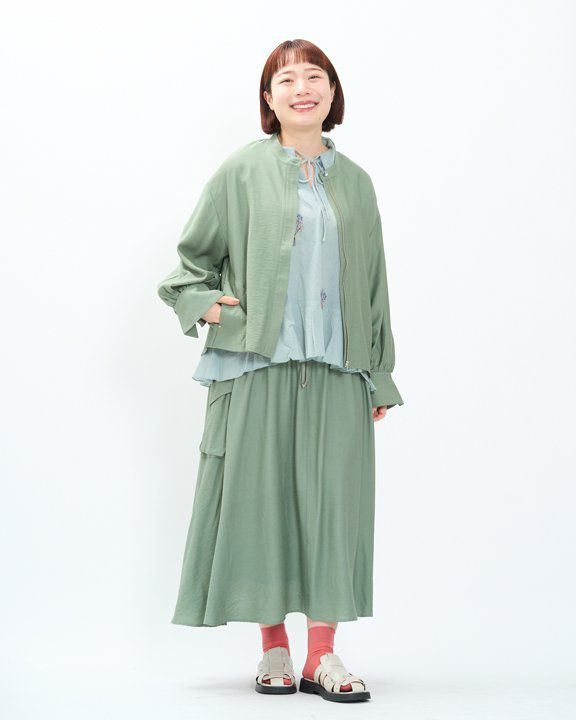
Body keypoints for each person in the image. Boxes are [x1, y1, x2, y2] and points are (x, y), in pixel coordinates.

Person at [157, 39, 404, 704]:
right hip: (255, 365)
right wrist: (209, 303)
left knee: (333, 509)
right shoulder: (240, 172)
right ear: (269, 99)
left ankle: (322, 655)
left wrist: (379, 373)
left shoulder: (357, 184)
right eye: (286, 79)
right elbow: (189, 265)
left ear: (332, 92)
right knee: (260, 503)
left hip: (339, 370)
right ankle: (273, 646)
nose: (303, 88)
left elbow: (375, 287)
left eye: (314, 76)